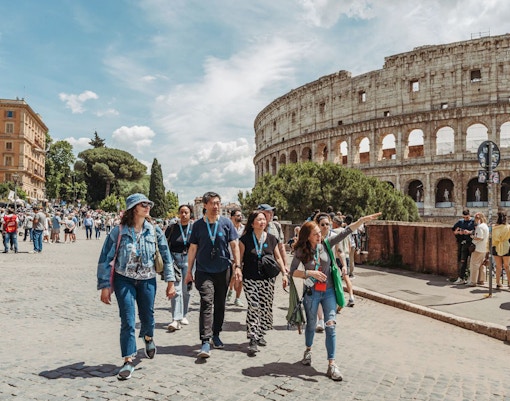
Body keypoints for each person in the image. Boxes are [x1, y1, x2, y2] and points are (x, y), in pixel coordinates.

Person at [290, 212, 381, 381]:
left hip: (329, 291)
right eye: (316, 233)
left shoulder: (326, 244)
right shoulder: (301, 250)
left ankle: (332, 364)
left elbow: (345, 232)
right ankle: (308, 350)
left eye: (320, 232)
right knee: (311, 324)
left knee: (331, 325)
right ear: (308, 236)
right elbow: (292, 271)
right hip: (312, 293)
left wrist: (360, 221)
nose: (320, 235)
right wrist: (309, 273)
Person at [97, 193, 177, 381]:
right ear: (133, 208)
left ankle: (148, 338)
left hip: (147, 279)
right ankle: (128, 359)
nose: (147, 207)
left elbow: (166, 257)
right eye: (143, 204)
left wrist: (171, 283)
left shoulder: (155, 231)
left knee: (147, 316)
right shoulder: (118, 231)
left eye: (148, 204)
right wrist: (104, 286)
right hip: (123, 279)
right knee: (127, 319)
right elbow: (104, 258)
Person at [184, 191, 241, 359]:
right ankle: (205, 340)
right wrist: (189, 271)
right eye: (213, 203)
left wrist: (237, 266)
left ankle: (216, 333)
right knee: (206, 302)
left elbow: (234, 245)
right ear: (205, 205)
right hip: (203, 271)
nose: (216, 206)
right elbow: (193, 249)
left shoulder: (226, 223)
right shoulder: (198, 226)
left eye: (218, 203)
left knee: (220, 304)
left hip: (223, 270)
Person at [239, 210, 288, 355]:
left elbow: (277, 257)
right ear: (252, 223)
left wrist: (284, 273)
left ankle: (260, 333)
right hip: (250, 278)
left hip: (267, 279)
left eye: (264, 219)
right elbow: (240, 259)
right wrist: (237, 274)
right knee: (254, 306)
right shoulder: (245, 240)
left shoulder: (272, 239)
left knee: (265, 306)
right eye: (259, 219)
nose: (262, 222)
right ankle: (253, 337)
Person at [165, 204, 193, 332]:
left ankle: (183, 315)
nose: (183, 215)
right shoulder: (172, 228)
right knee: (176, 289)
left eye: (186, 212)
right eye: (181, 212)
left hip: (189, 259)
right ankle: (175, 319)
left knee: (186, 289)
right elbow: (165, 244)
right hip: (174, 259)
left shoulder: (194, 228)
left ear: (190, 214)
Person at [257, 204, 288, 273]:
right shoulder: (254, 227)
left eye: (272, 212)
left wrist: (285, 265)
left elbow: (281, 247)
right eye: (268, 212)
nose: (271, 214)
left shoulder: (276, 226)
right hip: (256, 265)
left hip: (272, 265)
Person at [227, 209, 245, 307]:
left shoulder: (244, 229)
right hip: (229, 256)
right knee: (232, 277)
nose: (240, 217)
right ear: (232, 217)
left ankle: (237, 298)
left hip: (241, 257)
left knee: (239, 278)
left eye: (241, 215)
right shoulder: (228, 227)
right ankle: (230, 290)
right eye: (238, 215)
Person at [452, 209, 474, 284]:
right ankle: (461, 278)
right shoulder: (460, 222)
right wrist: (459, 232)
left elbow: (477, 231)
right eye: (464, 217)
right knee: (463, 261)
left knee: (472, 262)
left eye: (467, 218)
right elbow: (454, 231)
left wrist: (469, 232)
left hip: (472, 244)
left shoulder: (473, 221)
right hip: (463, 243)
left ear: (469, 215)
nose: (465, 219)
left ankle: (471, 278)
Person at [467, 212, 488, 286]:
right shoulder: (485, 226)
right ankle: (481, 280)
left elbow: (480, 237)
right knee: (482, 264)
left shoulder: (480, 227)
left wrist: (472, 237)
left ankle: (473, 281)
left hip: (478, 248)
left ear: (478, 218)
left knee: (474, 264)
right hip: (484, 248)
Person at [491, 211, 510, 289]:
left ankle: (498, 283)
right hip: (506, 246)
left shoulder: (494, 227)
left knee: (498, 266)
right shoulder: (508, 227)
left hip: (496, 246)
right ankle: (509, 283)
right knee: (507, 266)